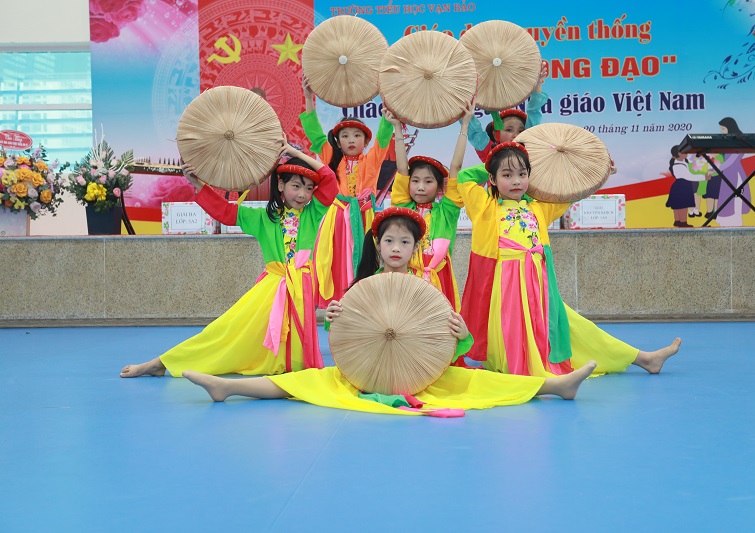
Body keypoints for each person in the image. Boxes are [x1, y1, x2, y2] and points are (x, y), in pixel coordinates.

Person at [183, 207, 598, 416]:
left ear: (415, 248)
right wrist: (333, 316)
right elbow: (342, 334)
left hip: (420, 373)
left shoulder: (425, 288)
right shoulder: (363, 287)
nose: (396, 248)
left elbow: (453, 345)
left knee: (480, 381)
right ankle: (227, 388)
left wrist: (461, 333)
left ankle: (555, 386)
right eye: (389, 241)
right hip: (365, 373)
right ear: (377, 246)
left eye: (404, 242)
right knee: (305, 381)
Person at [457, 141, 681, 377]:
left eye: (522, 174)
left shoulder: (538, 208)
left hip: (538, 287)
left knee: (577, 328)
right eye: (506, 175)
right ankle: (525, 374)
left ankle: (644, 359)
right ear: (492, 179)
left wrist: (602, 175)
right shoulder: (484, 206)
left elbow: (573, 194)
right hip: (504, 288)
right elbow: (464, 177)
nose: (516, 181)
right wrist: (499, 158)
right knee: (512, 332)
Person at [120, 138, 337, 378]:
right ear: (280, 184)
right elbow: (225, 211)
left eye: (309, 188)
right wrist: (197, 183)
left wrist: (295, 153)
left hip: (302, 288)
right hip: (271, 288)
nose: (303, 194)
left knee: (296, 353)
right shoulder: (263, 217)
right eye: (296, 186)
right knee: (227, 330)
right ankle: (162, 362)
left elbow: (329, 180)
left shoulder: (313, 213)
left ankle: (288, 368)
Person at [299, 76, 394, 307]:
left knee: (368, 262)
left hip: (365, 217)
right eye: (345, 135)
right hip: (338, 220)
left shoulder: (372, 159)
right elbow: (315, 135)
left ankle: (366, 311)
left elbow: (383, 138)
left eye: (357, 135)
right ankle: (337, 311)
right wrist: (309, 98)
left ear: (366, 141)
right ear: (338, 142)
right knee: (337, 264)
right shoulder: (332, 158)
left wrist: (388, 110)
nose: (351, 139)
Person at [382, 101, 474, 311]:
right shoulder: (404, 209)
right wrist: (397, 128)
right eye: (415, 181)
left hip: (439, 280)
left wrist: (465, 125)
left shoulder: (447, 211)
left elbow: (456, 167)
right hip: (406, 278)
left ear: (440, 187)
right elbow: (402, 168)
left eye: (428, 181)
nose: (421, 187)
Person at [467, 61, 549, 162]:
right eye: (509, 130)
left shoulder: (529, 151)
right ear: (495, 134)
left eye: (521, 131)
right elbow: (474, 129)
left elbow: (534, 112)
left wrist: (538, 83)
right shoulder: (489, 151)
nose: (515, 135)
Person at [709, 117, 751, 227]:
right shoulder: (729, 143)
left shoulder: (738, 143)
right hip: (728, 173)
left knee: (734, 199)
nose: (722, 132)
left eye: (723, 129)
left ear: (730, 128)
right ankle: (726, 223)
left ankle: (734, 224)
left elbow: (731, 161)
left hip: (734, 174)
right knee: (727, 198)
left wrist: (716, 169)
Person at [666, 146, 707, 227]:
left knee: (677, 205)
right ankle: (683, 222)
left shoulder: (683, 162)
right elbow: (689, 176)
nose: (687, 153)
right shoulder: (678, 165)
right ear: (679, 154)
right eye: (684, 152)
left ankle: (677, 221)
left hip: (681, 185)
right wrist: (704, 177)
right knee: (682, 205)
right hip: (682, 186)